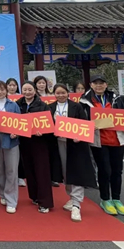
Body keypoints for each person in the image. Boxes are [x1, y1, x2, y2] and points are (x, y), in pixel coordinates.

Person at [80, 75, 124, 216]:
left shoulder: (116, 98)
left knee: (117, 171)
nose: (99, 86)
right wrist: (89, 125)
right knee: (104, 170)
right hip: (99, 141)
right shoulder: (85, 100)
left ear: (106, 85)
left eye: (101, 83)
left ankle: (117, 199)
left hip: (117, 139)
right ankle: (105, 199)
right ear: (91, 85)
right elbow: (81, 119)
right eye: (95, 83)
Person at [49, 83, 97, 222]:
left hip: (75, 145)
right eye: (58, 93)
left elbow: (84, 124)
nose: (61, 95)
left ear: (68, 93)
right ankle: (71, 197)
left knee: (76, 172)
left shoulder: (77, 107)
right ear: (54, 94)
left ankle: (76, 204)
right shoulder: (50, 107)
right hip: (58, 144)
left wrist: (79, 136)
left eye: (63, 92)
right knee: (65, 172)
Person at [17, 81, 54, 213]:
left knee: (42, 171)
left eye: (30, 90)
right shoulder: (18, 104)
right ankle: (34, 196)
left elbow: (50, 123)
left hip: (39, 142)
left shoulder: (42, 105)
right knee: (29, 170)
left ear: (34, 90)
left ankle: (45, 202)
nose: (27, 92)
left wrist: (43, 131)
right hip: (24, 142)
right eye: (25, 90)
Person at [0, 81, 21, 214]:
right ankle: (3, 193)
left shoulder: (13, 105)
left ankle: (11, 200)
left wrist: (16, 132)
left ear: (6, 90)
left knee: (11, 170)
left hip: (11, 141)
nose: (0, 92)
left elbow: (20, 123)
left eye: (2, 89)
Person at [6, 78, 26, 187]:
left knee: (20, 154)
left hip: (20, 127)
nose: (12, 87)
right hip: (7, 129)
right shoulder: (3, 98)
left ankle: (20, 177)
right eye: (10, 85)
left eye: (14, 85)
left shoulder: (21, 97)